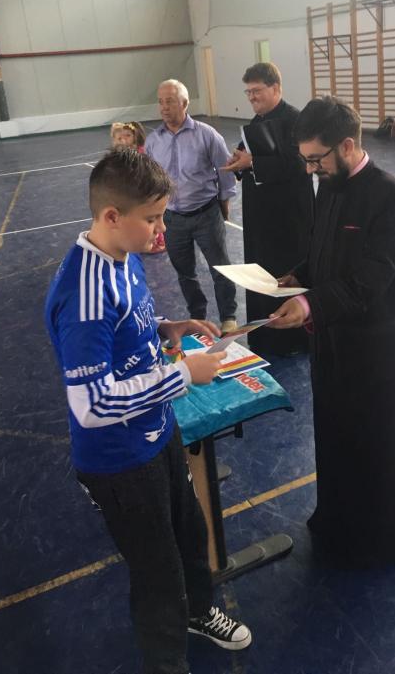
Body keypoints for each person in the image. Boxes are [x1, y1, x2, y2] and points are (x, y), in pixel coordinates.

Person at [44, 149, 252, 673]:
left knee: (190, 534)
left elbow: (129, 321)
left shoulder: (122, 253)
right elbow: (92, 405)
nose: (162, 230)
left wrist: (165, 327)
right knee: (158, 574)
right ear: (112, 216)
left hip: (158, 433)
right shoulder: (84, 295)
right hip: (120, 462)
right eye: (154, 219)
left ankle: (198, 612)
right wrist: (183, 375)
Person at [266, 96, 395, 568]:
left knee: (380, 450)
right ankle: (343, 520)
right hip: (335, 340)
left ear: (345, 146)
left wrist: (307, 304)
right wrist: (299, 276)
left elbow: (370, 279)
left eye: (315, 159)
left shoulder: (394, 196)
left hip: (382, 350)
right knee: (339, 438)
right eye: (305, 161)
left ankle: (386, 539)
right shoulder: (329, 184)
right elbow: (323, 251)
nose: (310, 170)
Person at [219, 62, 314, 356]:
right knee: (260, 272)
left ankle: (294, 340)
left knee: (286, 275)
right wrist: (238, 163)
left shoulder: (296, 120)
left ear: (276, 88)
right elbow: (247, 158)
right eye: (248, 92)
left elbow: (300, 164)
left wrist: (253, 163)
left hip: (289, 219)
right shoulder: (257, 122)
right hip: (260, 218)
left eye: (257, 91)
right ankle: (264, 336)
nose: (252, 97)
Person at [143, 79, 240, 334]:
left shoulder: (207, 135)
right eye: (161, 102)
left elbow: (225, 172)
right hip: (172, 219)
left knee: (221, 268)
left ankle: (228, 316)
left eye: (170, 101)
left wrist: (224, 205)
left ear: (185, 103)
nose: (164, 107)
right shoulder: (153, 141)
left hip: (206, 213)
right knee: (185, 273)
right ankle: (197, 316)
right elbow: (150, 180)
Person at [112, 122, 165, 252]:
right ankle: (140, 241)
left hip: (144, 189)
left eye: (128, 136)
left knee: (150, 218)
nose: (124, 140)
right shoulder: (121, 154)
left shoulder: (141, 152)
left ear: (135, 136)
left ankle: (159, 242)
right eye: (120, 138)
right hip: (131, 191)